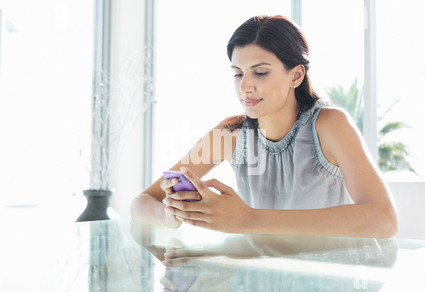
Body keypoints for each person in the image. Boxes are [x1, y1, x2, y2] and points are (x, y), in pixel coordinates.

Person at [131, 15, 398, 238]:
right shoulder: (231, 134)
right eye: (238, 73)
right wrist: (171, 215)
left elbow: (385, 220)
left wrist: (249, 220)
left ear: (295, 75)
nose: (245, 86)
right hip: (266, 278)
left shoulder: (330, 124)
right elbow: (141, 202)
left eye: (260, 72)